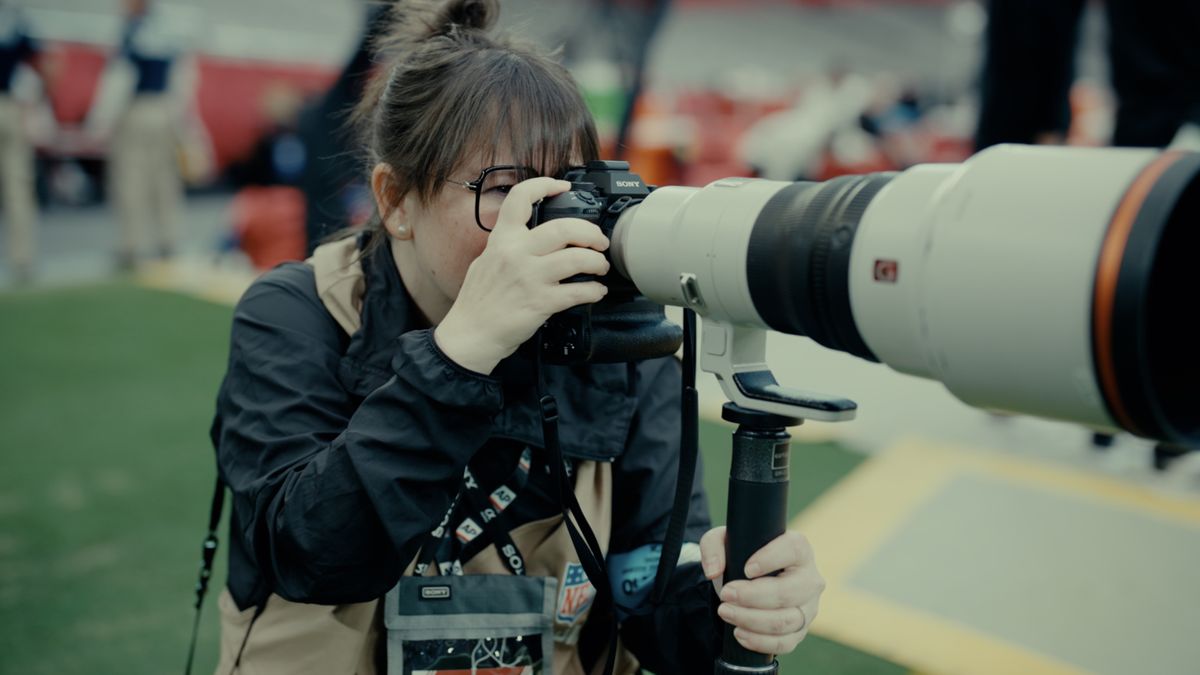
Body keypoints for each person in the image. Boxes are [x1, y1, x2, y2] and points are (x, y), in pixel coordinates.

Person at [209, 1, 825, 674]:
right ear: (394, 200)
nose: (539, 224)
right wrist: (461, 352)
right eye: (505, 189)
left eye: (564, 190)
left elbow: (646, 594)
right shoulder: (298, 313)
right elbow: (314, 554)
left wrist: (733, 603)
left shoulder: (621, 343)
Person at [86, 0, 207, 269]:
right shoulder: (170, 30)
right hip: (165, 111)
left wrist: (100, 121)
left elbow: (119, 79)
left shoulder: (132, 30)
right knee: (165, 180)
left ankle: (131, 245)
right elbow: (183, 81)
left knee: (131, 180)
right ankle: (168, 240)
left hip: (137, 109)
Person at [0, 2, 42, 284]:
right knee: (17, 187)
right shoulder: (17, 19)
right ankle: (23, 259)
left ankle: (24, 259)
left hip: (12, 106)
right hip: (11, 108)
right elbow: (43, 65)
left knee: (18, 187)